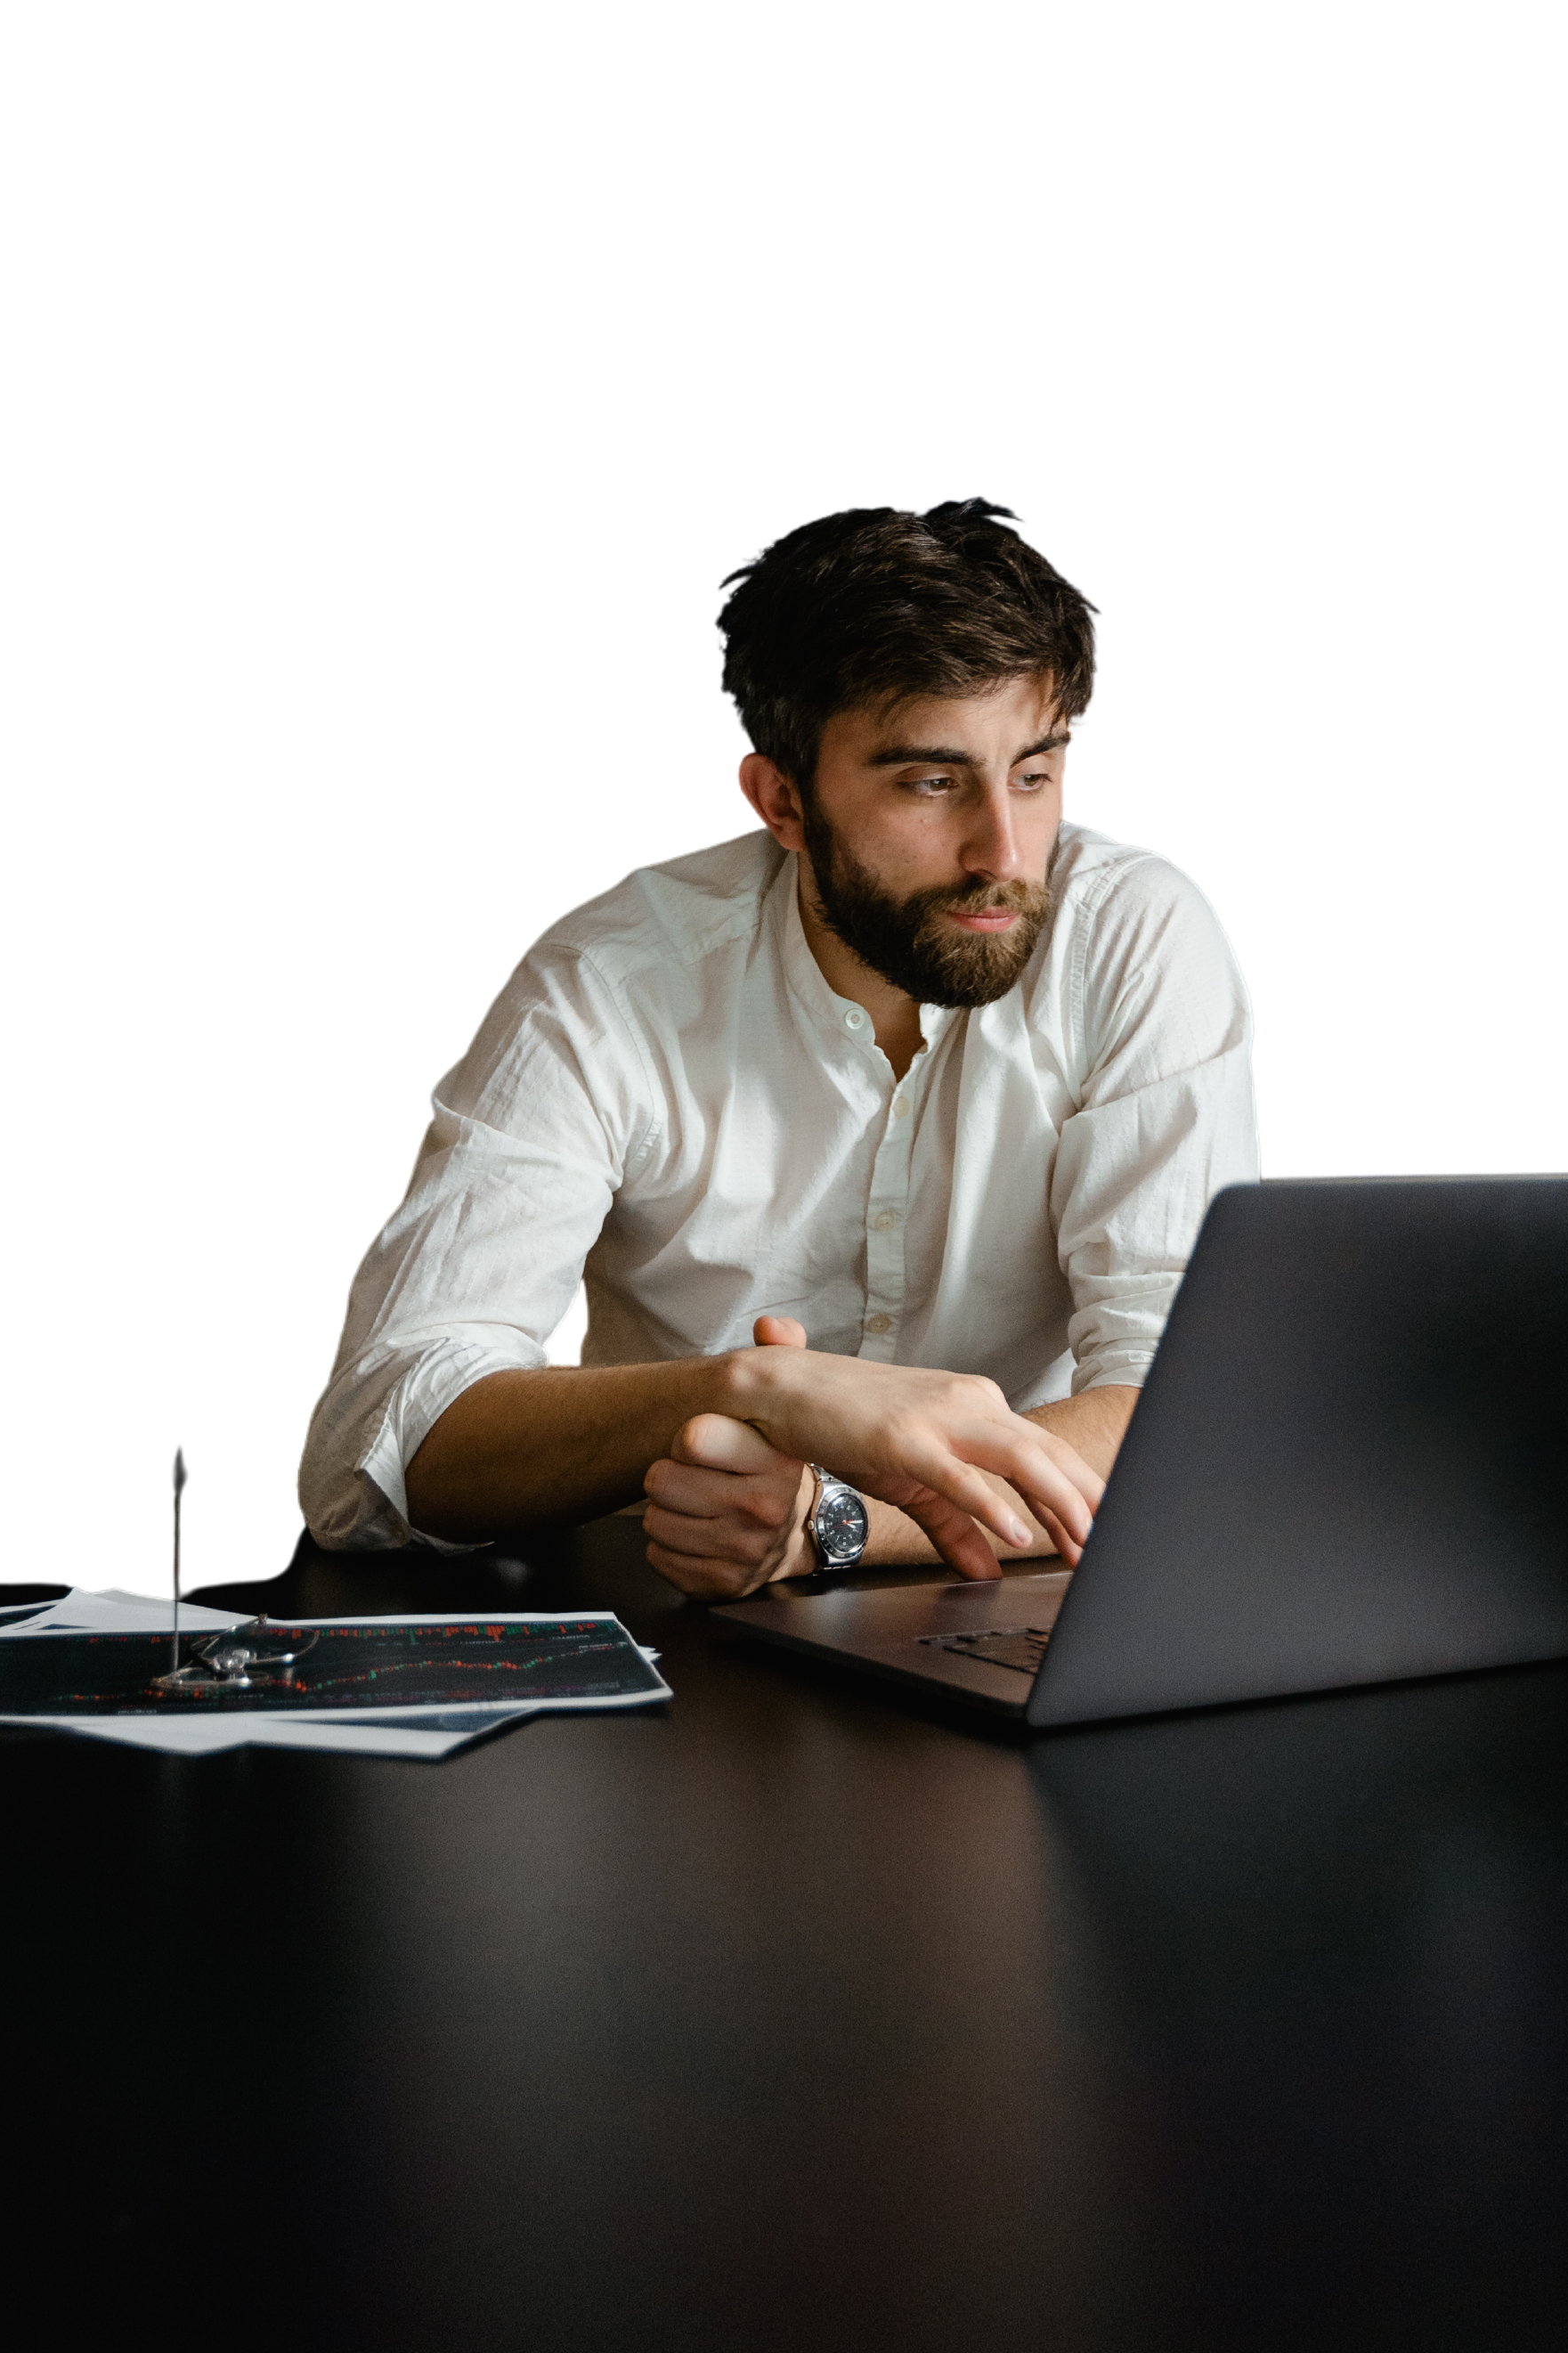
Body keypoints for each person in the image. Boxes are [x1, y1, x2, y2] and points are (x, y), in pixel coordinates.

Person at [296, 505, 1257, 1600]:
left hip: (1010, 1606)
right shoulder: (609, 980)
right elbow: (371, 1449)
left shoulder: (1132, 938)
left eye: (1032, 774)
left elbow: (1186, 1411)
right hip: (662, 1618)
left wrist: (831, 1522)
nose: (1003, 849)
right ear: (783, 802)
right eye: (929, 782)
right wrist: (755, 1389)